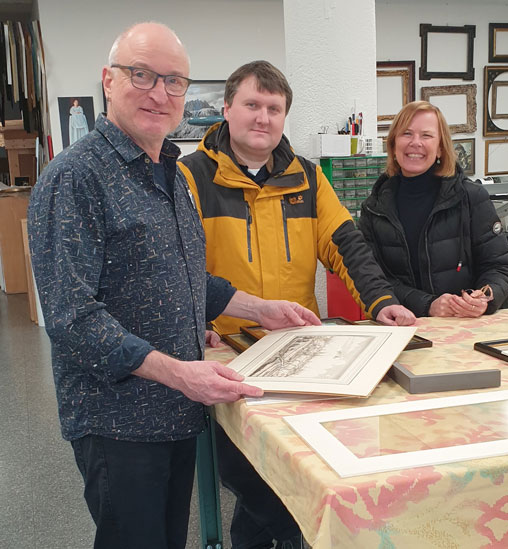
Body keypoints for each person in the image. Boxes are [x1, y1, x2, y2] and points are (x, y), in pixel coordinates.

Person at [27, 23, 319, 549]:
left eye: (174, 81)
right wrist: (180, 373)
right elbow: (73, 317)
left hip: (175, 410)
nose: (159, 93)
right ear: (108, 81)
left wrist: (261, 307)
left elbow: (182, 278)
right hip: (118, 421)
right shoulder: (76, 177)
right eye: (142, 75)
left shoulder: (167, 172)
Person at [178, 60, 416, 549]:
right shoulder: (189, 177)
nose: (262, 117)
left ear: (285, 117)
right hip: (225, 354)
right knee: (254, 479)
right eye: (251, 105)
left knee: (300, 468)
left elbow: (345, 243)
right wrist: (193, 320)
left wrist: (380, 300)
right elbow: (178, 268)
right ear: (226, 109)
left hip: (300, 354)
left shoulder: (306, 176)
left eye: (274, 108)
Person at [359, 101, 508, 318]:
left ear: (441, 147)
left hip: (465, 326)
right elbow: (373, 279)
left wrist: (485, 297)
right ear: (393, 144)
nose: (415, 143)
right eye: (406, 134)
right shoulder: (374, 208)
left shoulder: (471, 198)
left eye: (426, 135)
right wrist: (428, 305)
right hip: (404, 326)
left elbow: (499, 267)